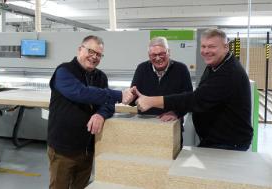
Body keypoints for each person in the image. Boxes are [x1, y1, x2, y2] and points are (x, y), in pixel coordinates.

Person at [134, 28, 253, 151]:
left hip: (228, 143)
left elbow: (196, 99)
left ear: (225, 47)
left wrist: (152, 101)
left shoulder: (229, 73)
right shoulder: (214, 66)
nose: (206, 51)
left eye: (212, 47)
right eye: (203, 46)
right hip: (214, 139)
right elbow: (199, 95)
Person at [47, 35, 134, 189]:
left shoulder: (100, 77)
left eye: (99, 54)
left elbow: (107, 104)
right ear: (80, 49)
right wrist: (119, 95)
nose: (94, 57)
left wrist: (101, 114)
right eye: (91, 51)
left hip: (87, 148)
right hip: (63, 149)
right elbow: (81, 93)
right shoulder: (64, 71)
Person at [131, 36, 192, 146]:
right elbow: (134, 96)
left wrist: (176, 113)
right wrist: (133, 99)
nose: (158, 58)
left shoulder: (181, 69)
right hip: (145, 127)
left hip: (171, 127)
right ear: (149, 56)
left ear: (169, 52)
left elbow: (189, 99)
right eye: (154, 55)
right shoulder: (141, 69)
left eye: (162, 54)